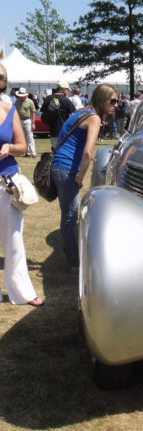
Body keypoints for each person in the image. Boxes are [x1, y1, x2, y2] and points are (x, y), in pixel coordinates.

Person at [50, 83, 118, 269]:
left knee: (69, 215)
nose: (116, 105)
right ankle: (74, 262)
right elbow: (88, 153)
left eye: (117, 101)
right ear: (102, 100)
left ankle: (72, 256)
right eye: (112, 101)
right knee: (70, 216)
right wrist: (80, 176)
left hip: (59, 167)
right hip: (67, 169)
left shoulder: (81, 113)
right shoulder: (93, 117)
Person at [0, 63, 43, 306]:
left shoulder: (9, 110)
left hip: (6, 182)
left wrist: (9, 148)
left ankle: (22, 292)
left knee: (13, 239)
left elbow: (22, 146)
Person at [40, 82, 75, 149]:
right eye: (67, 90)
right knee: (63, 150)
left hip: (53, 130)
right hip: (64, 130)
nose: (67, 92)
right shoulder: (66, 101)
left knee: (55, 150)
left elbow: (43, 113)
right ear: (64, 89)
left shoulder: (48, 99)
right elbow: (73, 115)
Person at [14, 87, 37, 158]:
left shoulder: (30, 101)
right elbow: (14, 112)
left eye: (22, 96)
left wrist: (33, 123)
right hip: (19, 120)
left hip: (27, 120)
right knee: (22, 137)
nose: (21, 98)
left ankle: (33, 152)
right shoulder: (16, 102)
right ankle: (27, 152)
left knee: (30, 136)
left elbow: (33, 112)